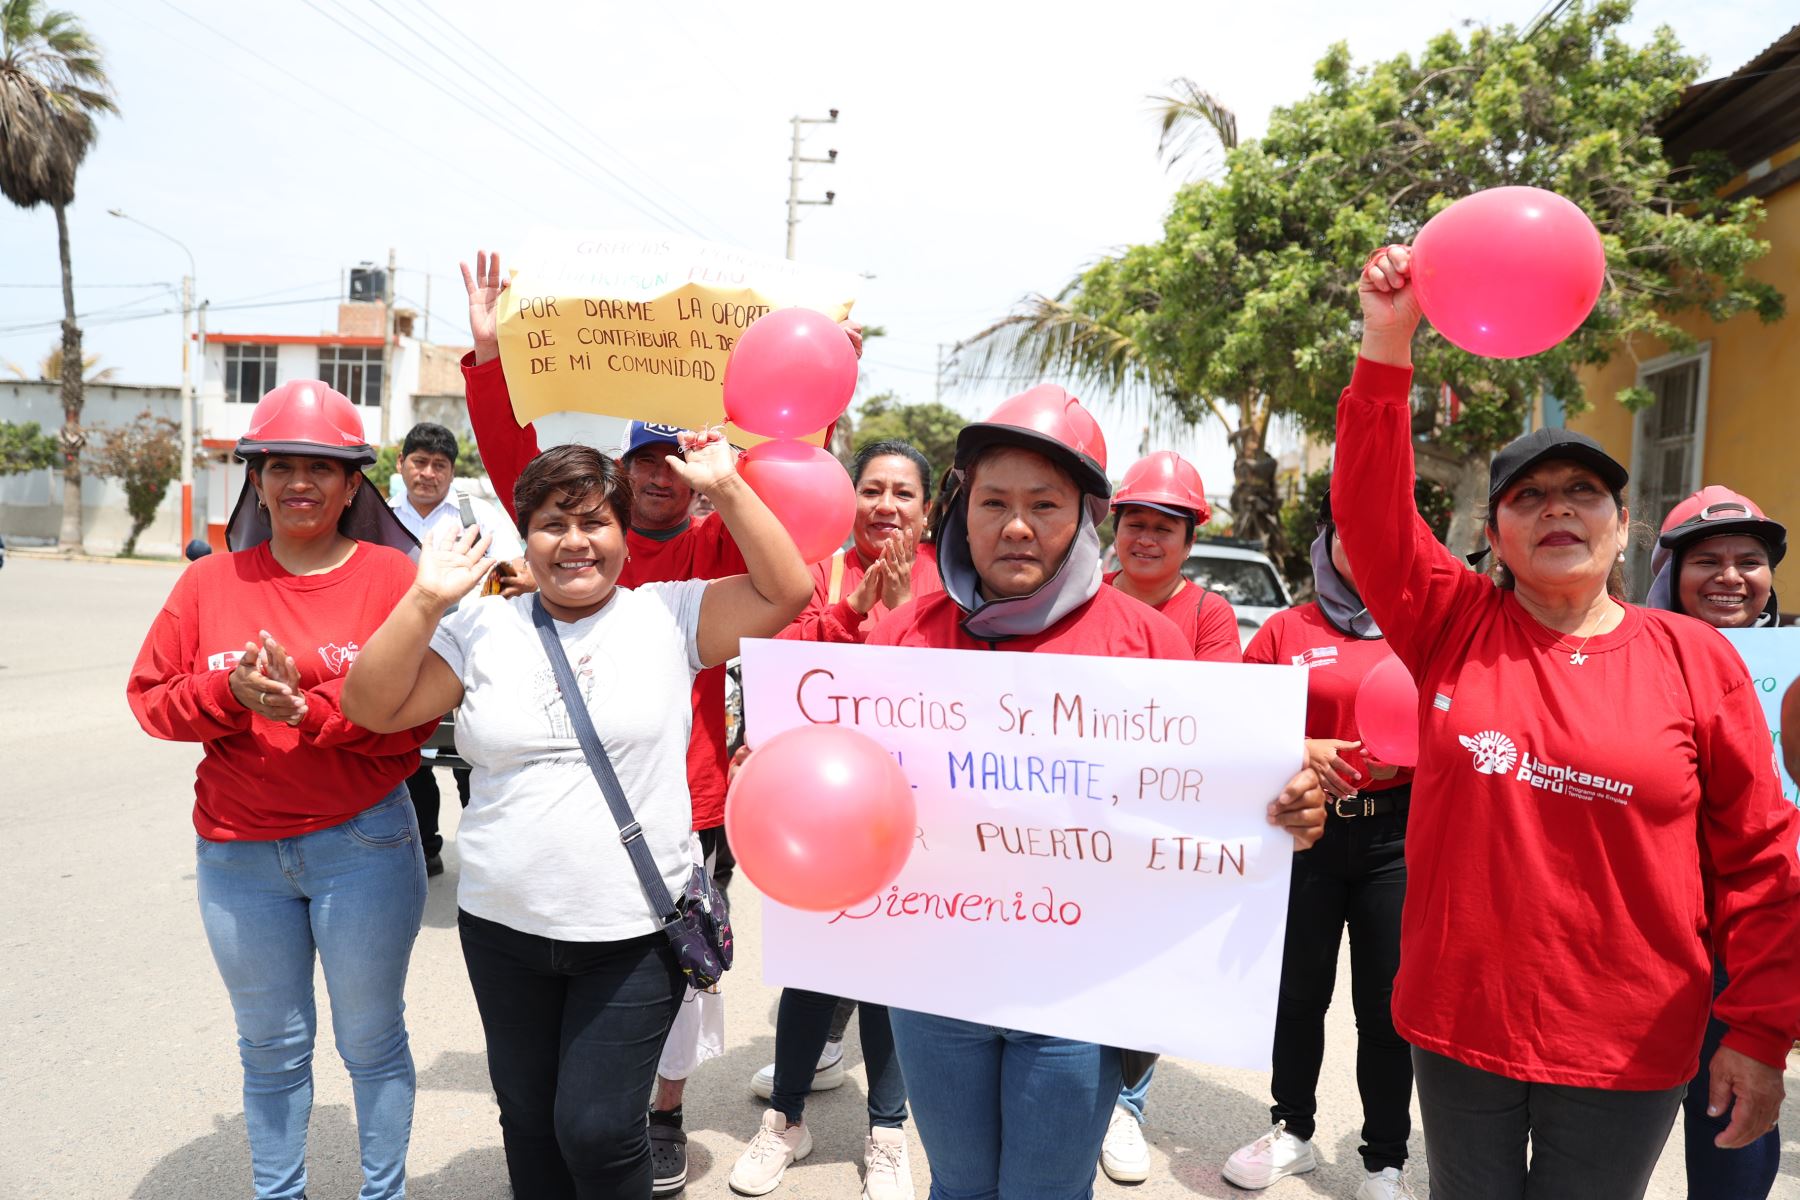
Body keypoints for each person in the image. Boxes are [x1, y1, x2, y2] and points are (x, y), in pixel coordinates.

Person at [1333, 244, 1800, 1200]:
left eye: (1584, 493)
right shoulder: (1453, 623)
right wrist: (1387, 343)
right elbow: (1372, 513)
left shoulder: (1693, 656)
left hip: (1629, 1040)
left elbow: (1761, 854)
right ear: (1496, 536)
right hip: (1461, 1026)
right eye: (1529, 497)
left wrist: (1760, 1032)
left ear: (1624, 528)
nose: (1558, 510)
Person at [844, 385, 1328, 1200]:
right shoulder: (906, 635)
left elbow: (1211, 802)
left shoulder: (1151, 645)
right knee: (958, 1185)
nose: (1018, 525)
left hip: (1080, 996)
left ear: (1086, 516)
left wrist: (1283, 814)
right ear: (962, 510)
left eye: (1046, 503)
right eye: (994, 501)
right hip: (935, 986)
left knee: (1046, 1190)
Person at [459, 250, 865, 1192]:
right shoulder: (579, 540)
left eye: (673, 464)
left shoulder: (706, 556)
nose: (657, 479)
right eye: (642, 463)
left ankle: (666, 1115)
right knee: (547, 1100)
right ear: (618, 474)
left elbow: (784, 528)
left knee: (674, 983)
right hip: (551, 849)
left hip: (688, 799)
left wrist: (821, 398)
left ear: (693, 473)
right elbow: (521, 468)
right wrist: (489, 359)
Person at [340, 435, 813, 1199]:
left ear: (625, 533)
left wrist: (725, 487)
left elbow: (785, 592)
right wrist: (427, 598)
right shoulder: (482, 627)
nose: (574, 543)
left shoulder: (670, 615)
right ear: (523, 535)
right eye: (553, 524)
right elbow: (370, 706)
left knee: (596, 1129)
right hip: (502, 928)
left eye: (595, 522)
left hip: (630, 934)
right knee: (527, 1120)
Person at [125, 380, 436, 1200]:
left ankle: (383, 1193)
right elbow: (151, 701)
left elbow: (417, 717)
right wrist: (230, 697)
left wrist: (315, 711)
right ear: (255, 479)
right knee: (269, 1049)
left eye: (323, 468)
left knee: (370, 1042)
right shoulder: (208, 585)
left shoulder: (392, 577)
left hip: (362, 844)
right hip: (237, 856)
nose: (301, 482)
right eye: (281, 465)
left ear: (351, 484)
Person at [729, 438, 941, 1199]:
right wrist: (851, 612)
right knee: (813, 961)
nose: (887, 505)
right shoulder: (817, 570)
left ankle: (888, 1132)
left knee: (890, 972)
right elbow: (782, 665)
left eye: (904, 493)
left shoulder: (952, 586)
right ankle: (785, 1119)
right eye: (873, 489)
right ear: (850, 499)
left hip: (911, 814)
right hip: (816, 809)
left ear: (928, 507)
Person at [1222, 486, 1415, 1200]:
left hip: (1396, 838)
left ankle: (1385, 1161)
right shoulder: (1284, 631)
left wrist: (1413, 757)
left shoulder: (1423, 627)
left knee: (1385, 1006)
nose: (1362, 548)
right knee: (1298, 995)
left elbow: (1467, 723)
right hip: (1304, 835)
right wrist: (1299, 744)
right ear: (1326, 543)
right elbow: (1237, 724)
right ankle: (1292, 1131)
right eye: (1348, 534)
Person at [1091, 448, 1241, 1184]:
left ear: (1189, 540)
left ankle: (1128, 1106)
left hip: (1162, 818)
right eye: (1135, 524)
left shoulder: (1210, 616)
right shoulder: (1081, 594)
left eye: (1164, 527)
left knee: (1147, 964)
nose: (1146, 539)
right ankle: (1083, 1089)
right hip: (1081, 818)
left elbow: (1208, 720)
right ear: (1114, 528)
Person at [1643, 486, 1787, 1200]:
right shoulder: (1618, 658)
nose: (1730, 576)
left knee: (1733, 1143)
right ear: (1669, 573)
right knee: (1593, 1149)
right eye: (1707, 560)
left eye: (1749, 560)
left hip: (1749, 948)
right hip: (1638, 944)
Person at [388, 420, 526, 877]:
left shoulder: (478, 516)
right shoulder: (378, 517)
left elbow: (510, 573)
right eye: (420, 462)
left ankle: (485, 856)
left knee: (475, 756)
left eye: (439, 465)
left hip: (469, 652)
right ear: (402, 464)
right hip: (402, 651)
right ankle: (423, 847)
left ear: (451, 472)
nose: (428, 473)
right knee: (408, 758)